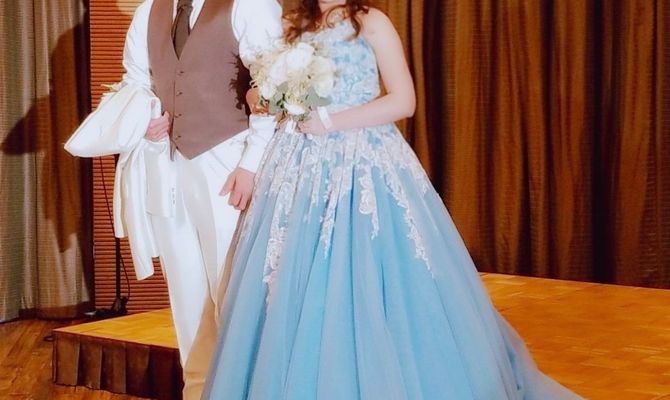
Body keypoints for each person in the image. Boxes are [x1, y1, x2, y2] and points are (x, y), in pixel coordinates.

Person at [203, 1, 583, 399]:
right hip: (296, 168)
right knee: (291, 285)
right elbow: (266, 92)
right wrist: (263, 95)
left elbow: (403, 101)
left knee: (369, 278)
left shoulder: (370, 22)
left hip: (363, 164)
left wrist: (330, 122)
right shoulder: (292, 24)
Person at [121, 0, 282, 398]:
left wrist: (251, 163)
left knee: (232, 289)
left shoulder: (249, 4)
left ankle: (244, 389)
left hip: (229, 164)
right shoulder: (149, 10)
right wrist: (144, 118)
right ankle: (197, 391)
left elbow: (274, 81)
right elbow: (135, 80)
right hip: (167, 167)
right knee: (186, 294)